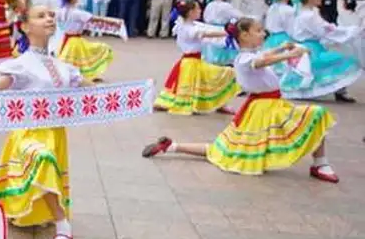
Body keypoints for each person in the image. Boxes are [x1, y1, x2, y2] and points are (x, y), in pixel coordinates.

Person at [0, 5, 87, 239]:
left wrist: (131, 95)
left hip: (55, 132)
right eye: (41, 15)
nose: (49, 18)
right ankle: (63, 227)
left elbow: (91, 90)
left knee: (25, 183)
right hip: (28, 135)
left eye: (50, 15)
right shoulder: (20, 65)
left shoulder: (62, 67)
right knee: (42, 160)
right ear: (25, 27)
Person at [143, 18, 339, 183]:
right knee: (316, 115)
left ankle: (173, 145)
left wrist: (282, 48)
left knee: (223, 149)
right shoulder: (243, 59)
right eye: (259, 30)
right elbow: (262, 61)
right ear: (244, 35)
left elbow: (265, 56)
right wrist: (291, 54)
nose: (263, 33)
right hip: (264, 109)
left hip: (265, 107)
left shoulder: (249, 55)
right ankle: (320, 163)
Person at [274, 0, 360, 102]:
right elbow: (324, 30)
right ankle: (338, 92)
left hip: (309, 46)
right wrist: (350, 30)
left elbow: (323, 29)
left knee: (322, 66)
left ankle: (338, 91)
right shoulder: (308, 15)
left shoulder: (303, 12)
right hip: (310, 48)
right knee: (341, 60)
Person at [153, 0, 240, 115]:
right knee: (226, 74)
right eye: (197, 9)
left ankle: (220, 103)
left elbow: (206, 29)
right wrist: (227, 32)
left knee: (210, 80)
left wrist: (227, 30)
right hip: (191, 63)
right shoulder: (187, 28)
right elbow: (205, 33)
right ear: (190, 12)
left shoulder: (186, 24)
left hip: (192, 62)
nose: (200, 11)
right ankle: (219, 103)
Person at [50, 0, 113, 82]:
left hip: (66, 39)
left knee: (74, 60)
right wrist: (113, 21)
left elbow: (52, 13)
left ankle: (72, 76)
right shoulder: (77, 13)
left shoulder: (61, 11)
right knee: (83, 57)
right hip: (75, 40)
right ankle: (76, 77)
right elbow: (95, 19)